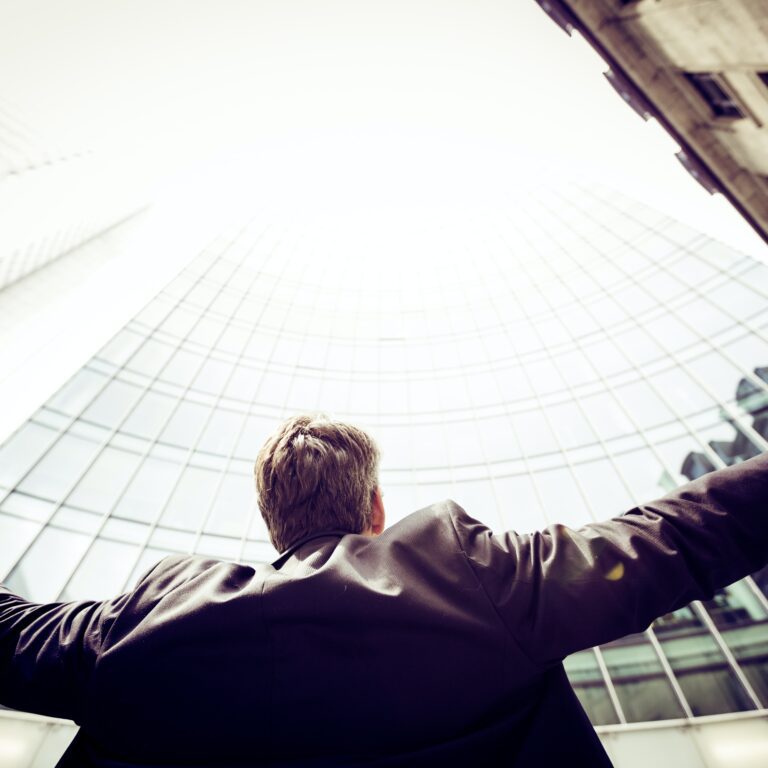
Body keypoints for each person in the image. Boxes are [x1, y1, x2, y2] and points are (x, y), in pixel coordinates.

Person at [1, 413, 767, 767]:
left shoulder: (141, 630)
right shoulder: (476, 578)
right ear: (375, 511)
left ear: (274, 525)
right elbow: (684, 533)